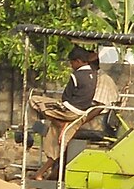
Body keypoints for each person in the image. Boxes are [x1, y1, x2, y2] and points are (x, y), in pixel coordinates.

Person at [31, 49, 119, 181]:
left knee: (58, 134)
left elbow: (98, 107)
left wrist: (76, 123)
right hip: (83, 117)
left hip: (95, 123)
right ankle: (48, 174)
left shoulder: (102, 79)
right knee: (56, 134)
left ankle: (50, 176)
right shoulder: (93, 77)